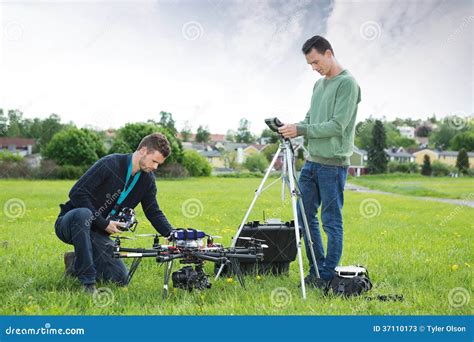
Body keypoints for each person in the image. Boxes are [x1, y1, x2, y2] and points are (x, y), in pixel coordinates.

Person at [278, 35, 361, 288]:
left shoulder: (347, 84)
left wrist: (302, 129)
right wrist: (293, 127)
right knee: (304, 218)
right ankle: (317, 270)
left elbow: (338, 126)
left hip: (333, 165)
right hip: (312, 163)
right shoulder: (319, 86)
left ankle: (328, 276)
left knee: (331, 221)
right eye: (310, 65)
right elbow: (311, 118)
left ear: (328, 53)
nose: (315, 68)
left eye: (316, 62)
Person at [55, 133, 174, 293]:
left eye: (159, 164)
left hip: (97, 233)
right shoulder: (110, 163)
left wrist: (173, 235)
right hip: (72, 223)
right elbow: (77, 192)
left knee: (119, 278)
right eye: (154, 161)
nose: (155, 167)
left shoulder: (147, 180)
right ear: (143, 151)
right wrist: (103, 223)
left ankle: (75, 260)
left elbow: (153, 212)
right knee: (83, 214)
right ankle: (88, 283)